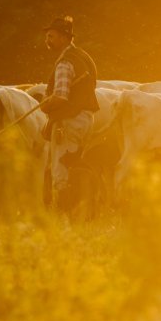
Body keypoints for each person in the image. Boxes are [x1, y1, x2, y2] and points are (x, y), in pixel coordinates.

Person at [40, 16, 99, 211]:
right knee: (75, 163)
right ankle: (83, 210)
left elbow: (61, 97)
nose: (47, 41)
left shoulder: (65, 63)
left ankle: (64, 217)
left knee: (60, 169)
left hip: (69, 122)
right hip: (87, 119)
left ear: (64, 38)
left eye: (51, 36)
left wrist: (45, 105)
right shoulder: (84, 57)